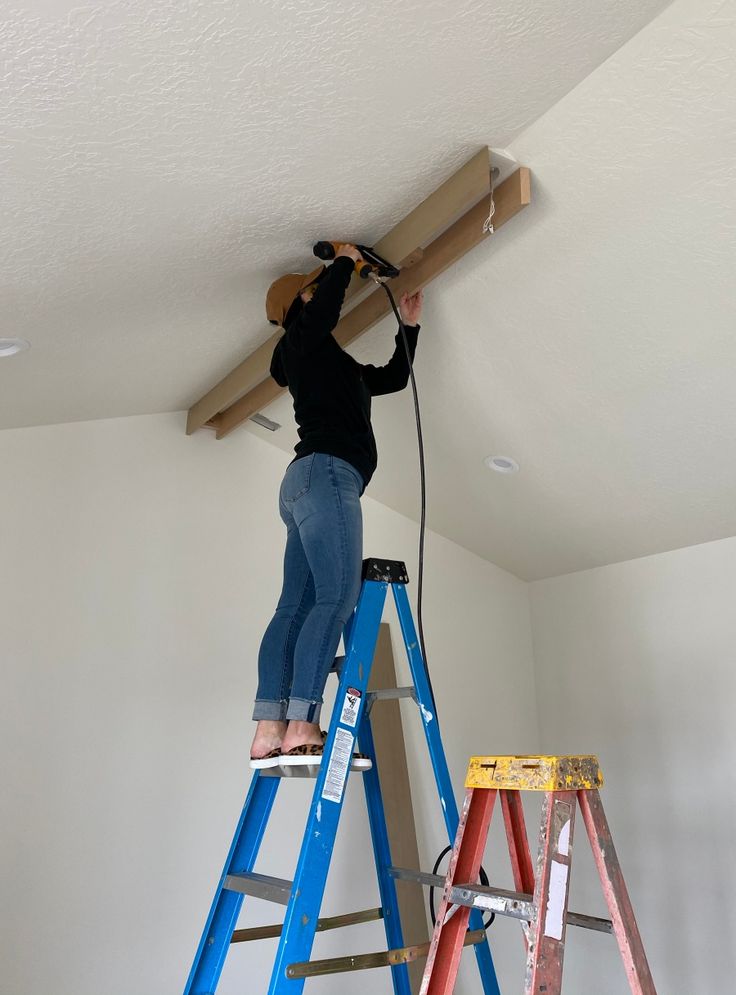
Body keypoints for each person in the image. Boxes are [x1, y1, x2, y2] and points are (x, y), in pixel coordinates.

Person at [250, 243, 423, 768]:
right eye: (312, 290)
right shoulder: (299, 343)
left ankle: (268, 731)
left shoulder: (328, 361)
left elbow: (391, 378)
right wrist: (343, 262)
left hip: (306, 483)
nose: (320, 296)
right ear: (301, 303)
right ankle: (302, 723)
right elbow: (321, 310)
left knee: (296, 606)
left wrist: (409, 327)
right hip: (326, 474)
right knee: (336, 599)